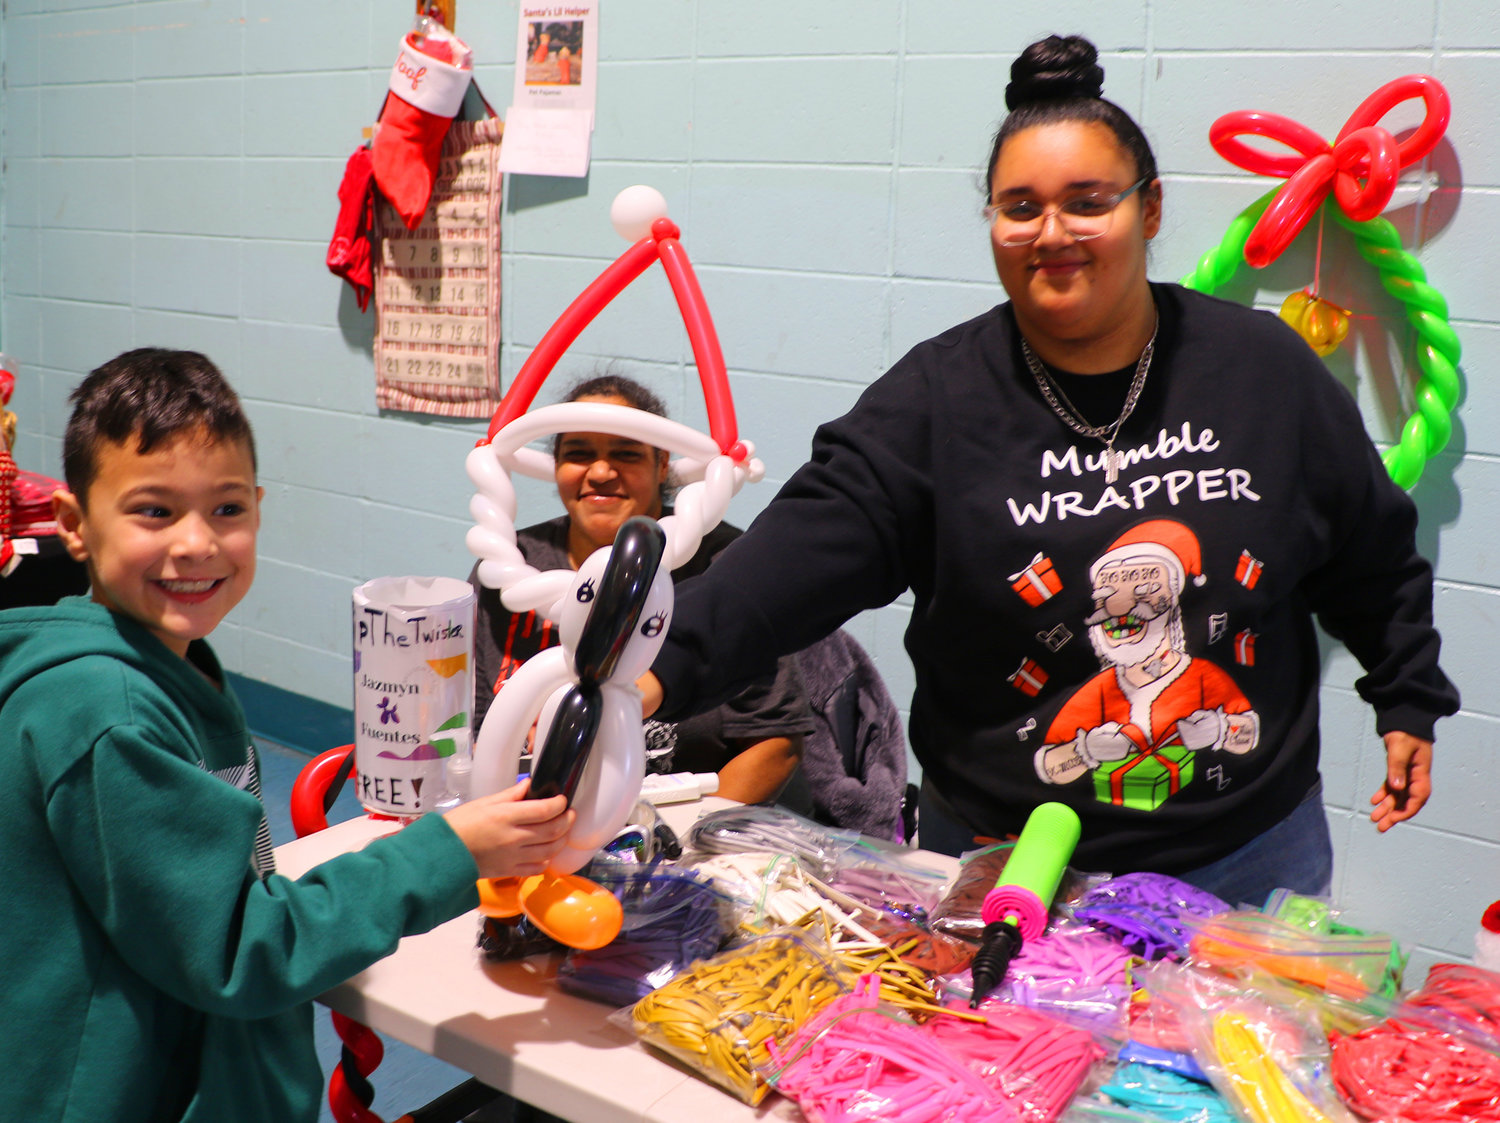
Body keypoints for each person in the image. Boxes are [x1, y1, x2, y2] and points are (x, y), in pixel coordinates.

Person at [639, 35, 1459, 905]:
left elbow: (1369, 547)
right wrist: (652, 666)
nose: (1052, 233)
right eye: (1019, 206)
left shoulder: (1264, 372)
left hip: (1246, 861)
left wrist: (1407, 692)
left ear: (1149, 210)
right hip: (1005, 863)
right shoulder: (934, 400)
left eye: (1088, 201)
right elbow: (799, 553)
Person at [0, 348, 574, 1123]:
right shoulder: (111, 712)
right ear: (74, 523)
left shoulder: (162, 662)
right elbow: (238, 949)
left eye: (227, 509)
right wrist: (451, 851)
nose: (198, 542)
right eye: (154, 510)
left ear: (261, 509)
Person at [470, 372, 814, 806]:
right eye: (577, 453)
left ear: (662, 464)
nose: (599, 472)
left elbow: (777, 744)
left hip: (687, 835)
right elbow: (483, 730)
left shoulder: (726, 566)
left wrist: (686, 843)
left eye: (626, 453)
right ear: (555, 466)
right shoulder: (511, 564)